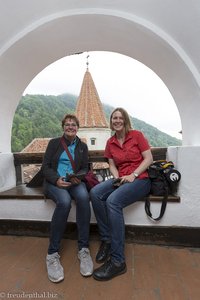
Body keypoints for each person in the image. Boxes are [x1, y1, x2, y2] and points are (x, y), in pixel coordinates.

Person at [90, 107, 153, 281]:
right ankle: (107, 239)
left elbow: (149, 158)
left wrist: (133, 175)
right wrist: (117, 179)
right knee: (95, 193)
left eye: (120, 118)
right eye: (114, 118)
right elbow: (111, 164)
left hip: (140, 179)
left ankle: (118, 261)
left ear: (125, 120)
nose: (117, 120)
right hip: (122, 178)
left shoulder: (137, 135)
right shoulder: (110, 142)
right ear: (111, 122)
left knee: (112, 201)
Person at [42, 114, 93, 283]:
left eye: (73, 124)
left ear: (78, 127)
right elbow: (46, 167)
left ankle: (83, 249)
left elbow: (85, 166)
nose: (70, 127)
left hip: (74, 182)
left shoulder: (82, 146)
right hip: (55, 182)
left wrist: (79, 176)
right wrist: (56, 179)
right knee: (64, 202)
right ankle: (52, 254)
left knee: (84, 198)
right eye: (67, 124)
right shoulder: (54, 143)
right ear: (63, 127)